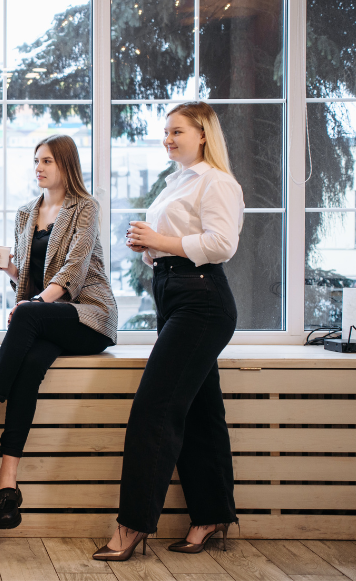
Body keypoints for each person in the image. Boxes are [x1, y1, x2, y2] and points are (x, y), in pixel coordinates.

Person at [0, 134, 117, 530]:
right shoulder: (25, 213)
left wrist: (33, 307)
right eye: (36, 160)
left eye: (47, 160)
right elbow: (33, 283)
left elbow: (73, 270)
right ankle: (8, 486)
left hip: (88, 317)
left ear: (66, 164)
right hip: (48, 318)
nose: (39, 167)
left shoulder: (85, 208)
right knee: (31, 363)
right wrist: (13, 272)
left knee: (27, 318)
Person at [95, 101, 243, 561]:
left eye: (177, 131)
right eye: (165, 132)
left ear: (203, 134)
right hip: (175, 293)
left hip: (202, 302)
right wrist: (149, 249)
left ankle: (132, 526)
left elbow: (222, 245)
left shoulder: (217, 182)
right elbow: (177, 243)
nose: (168, 138)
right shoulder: (176, 182)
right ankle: (210, 514)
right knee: (200, 412)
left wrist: (159, 241)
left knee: (154, 409)